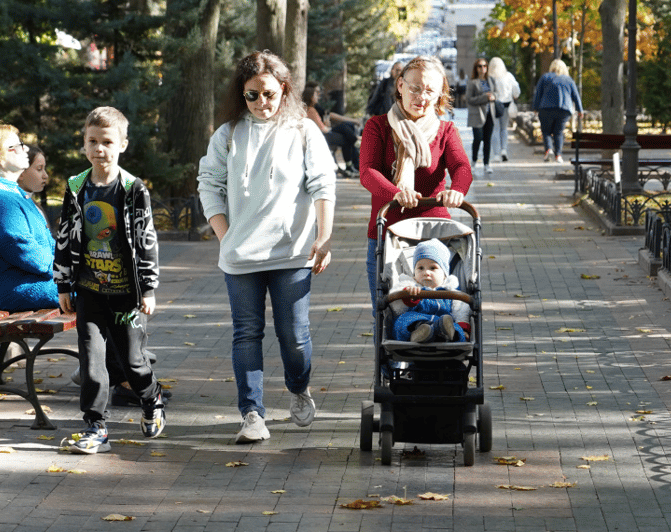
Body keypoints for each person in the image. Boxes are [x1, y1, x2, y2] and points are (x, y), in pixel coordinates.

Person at [198, 50, 335, 444]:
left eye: (269, 94)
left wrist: (323, 239)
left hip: (293, 253)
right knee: (246, 333)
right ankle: (252, 414)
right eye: (252, 96)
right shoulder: (228, 134)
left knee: (294, 336)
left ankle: (298, 386)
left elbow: (323, 185)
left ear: (285, 89)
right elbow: (209, 184)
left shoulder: (304, 131)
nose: (262, 103)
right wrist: (226, 236)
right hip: (241, 257)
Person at [55, 106, 165, 454]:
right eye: (92, 141)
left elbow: (147, 239)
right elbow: (63, 237)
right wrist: (63, 284)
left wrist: (147, 288)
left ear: (122, 144)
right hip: (89, 291)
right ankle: (96, 426)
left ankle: (152, 400)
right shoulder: (76, 187)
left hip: (126, 295)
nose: (99, 149)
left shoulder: (133, 189)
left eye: (107, 142)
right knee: (91, 361)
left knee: (132, 362)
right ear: (84, 144)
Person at [359, 54, 473, 316]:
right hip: (388, 233)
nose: (421, 96)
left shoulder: (446, 131)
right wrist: (397, 194)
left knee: (443, 308)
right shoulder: (378, 127)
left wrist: (457, 191)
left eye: (430, 91)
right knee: (387, 315)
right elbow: (368, 172)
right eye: (415, 87)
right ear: (400, 85)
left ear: (439, 95)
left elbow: (461, 167)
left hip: (435, 233)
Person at [0, 122, 59, 312]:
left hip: (34, 282)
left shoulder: (11, 193)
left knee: (105, 284)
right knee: (99, 291)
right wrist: (67, 271)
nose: (24, 149)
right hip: (17, 290)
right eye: (15, 147)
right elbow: (24, 250)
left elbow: (46, 243)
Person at [389, 239, 470, 343]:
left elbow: (461, 310)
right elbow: (396, 308)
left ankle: (446, 333)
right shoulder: (410, 286)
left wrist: (463, 326)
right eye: (420, 268)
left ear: (445, 275)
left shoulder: (450, 291)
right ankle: (420, 332)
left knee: (456, 328)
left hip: (442, 321)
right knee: (402, 320)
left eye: (432, 268)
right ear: (414, 274)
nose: (426, 272)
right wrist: (408, 296)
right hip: (418, 319)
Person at [532, 58, 584, 163]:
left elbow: (538, 94)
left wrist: (535, 107)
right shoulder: (568, 80)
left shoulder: (545, 77)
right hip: (563, 109)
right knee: (559, 132)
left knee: (546, 131)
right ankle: (558, 155)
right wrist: (580, 110)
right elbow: (576, 96)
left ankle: (549, 150)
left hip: (546, 108)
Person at [465, 58, 496, 176]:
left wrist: (494, 96)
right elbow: (469, 99)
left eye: (484, 66)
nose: (482, 68)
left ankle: (486, 164)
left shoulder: (491, 80)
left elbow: (496, 93)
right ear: (476, 68)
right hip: (477, 115)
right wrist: (485, 97)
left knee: (487, 140)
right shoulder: (472, 82)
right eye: (479, 66)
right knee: (478, 138)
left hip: (490, 114)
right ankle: (473, 162)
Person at [487, 57, 521, 162]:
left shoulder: (489, 77)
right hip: (506, 105)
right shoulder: (508, 76)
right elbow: (516, 90)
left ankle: (496, 154)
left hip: (494, 105)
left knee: (495, 129)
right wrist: (514, 96)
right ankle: (504, 150)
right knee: (504, 128)